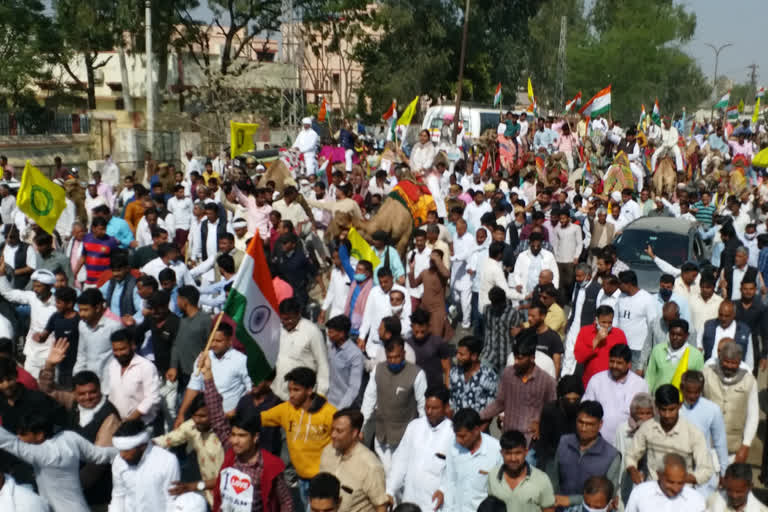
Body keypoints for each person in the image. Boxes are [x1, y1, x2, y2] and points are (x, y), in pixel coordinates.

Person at [200, 350, 295, 512]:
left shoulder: (270, 467)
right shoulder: (232, 452)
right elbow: (218, 419)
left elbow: (286, 502)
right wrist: (208, 374)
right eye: (234, 435)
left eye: (242, 436)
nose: (235, 440)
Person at [0, 412, 117, 512]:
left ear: (39, 435)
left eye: (23, 434)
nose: (18, 437)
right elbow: (98, 455)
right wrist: (122, 451)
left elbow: (10, 443)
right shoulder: (69, 437)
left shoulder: (42, 454)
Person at [625, 384, 713, 487]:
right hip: (653, 490)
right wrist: (632, 470)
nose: (667, 415)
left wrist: (679, 479)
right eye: (663, 410)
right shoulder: (647, 428)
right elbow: (630, 455)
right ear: (656, 407)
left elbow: (706, 469)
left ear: (680, 406)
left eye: (671, 410)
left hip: (682, 492)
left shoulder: (693, 433)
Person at [110, 419, 206, 512]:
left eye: (126, 450)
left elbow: (171, 500)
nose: (122, 455)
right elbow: (119, 496)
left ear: (141, 446)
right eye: (120, 450)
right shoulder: (119, 461)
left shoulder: (167, 460)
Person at [361, 337, 427, 473]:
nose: (393, 361)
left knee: (400, 475)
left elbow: (422, 406)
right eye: (389, 357)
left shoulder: (417, 374)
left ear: (403, 353)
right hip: (381, 434)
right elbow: (369, 399)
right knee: (387, 473)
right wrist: (362, 427)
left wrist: (423, 434)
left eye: (396, 357)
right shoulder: (378, 370)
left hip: (404, 436)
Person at [386, 386, 454, 512]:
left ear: (446, 408)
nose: (429, 411)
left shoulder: (452, 433)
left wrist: (443, 490)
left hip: (434, 505)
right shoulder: (415, 426)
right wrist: (390, 490)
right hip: (409, 501)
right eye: (427, 407)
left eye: (434, 408)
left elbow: (454, 471)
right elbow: (400, 462)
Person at [480, 336, 557, 444]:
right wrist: (479, 416)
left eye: (520, 358)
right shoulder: (508, 374)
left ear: (532, 358)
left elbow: (552, 410)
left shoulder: (547, 381)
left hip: (531, 441)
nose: (515, 362)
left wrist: (541, 424)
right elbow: (500, 403)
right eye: (515, 357)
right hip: (509, 436)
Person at [154, 393, 224, 507]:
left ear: (215, 414)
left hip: (227, 498)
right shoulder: (193, 426)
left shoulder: (225, 437)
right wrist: (144, 444)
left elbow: (226, 478)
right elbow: (168, 439)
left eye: (202, 416)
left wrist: (193, 486)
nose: (197, 420)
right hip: (208, 497)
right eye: (194, 416)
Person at [178, 323, 252, 427]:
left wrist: (234, 412)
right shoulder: (203, 357)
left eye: (218, 341)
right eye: (212, 340)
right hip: (205, 420)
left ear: (230, 341)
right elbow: (193, 386)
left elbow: (250, 391)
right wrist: (181, 414)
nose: (213, 344)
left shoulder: (241, 360)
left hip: (230, 420)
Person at [552, 401, 621, 510]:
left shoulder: (612, 455)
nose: (583, 428)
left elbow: (608, 495)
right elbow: (553, 479)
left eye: (590, 424)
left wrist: (570, 500)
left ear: (600, 424)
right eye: (580, 422)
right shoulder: (564, 442)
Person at [318, 408, 389, 512]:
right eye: (332, 429)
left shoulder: (370, 465)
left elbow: (381, 505)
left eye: (339, 431)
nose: (333, 435)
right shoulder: (327, 452)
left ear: (354, 433)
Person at [434, 408, 503, 512]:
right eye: (456, 435)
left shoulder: (496, 450)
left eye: (462, 436)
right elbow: (450, 481)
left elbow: (500, 488)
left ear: (476, 430)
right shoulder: (453, 446)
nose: (458, 440)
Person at [702, 341, 758, 464]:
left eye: (734, 363)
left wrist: (746, 445)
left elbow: (753, 415)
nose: (729, 366)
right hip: (705, 445)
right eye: (726, 361)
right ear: (720, 358)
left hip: (733, 449)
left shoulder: (749, 381)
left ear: (740, 362)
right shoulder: (706, 374)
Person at [583, 344, 648, 447]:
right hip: (598, 444)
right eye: (612, 361)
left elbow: (645, 416)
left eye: (619, 363)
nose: (614, 366)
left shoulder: (640, 384)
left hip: (627, 444)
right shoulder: (597, 380)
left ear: (629, 365)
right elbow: (585, 410)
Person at [678, 370, 729, 497]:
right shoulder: (674, 410)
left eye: (697, 392)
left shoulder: (712, 410)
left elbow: (720, 442)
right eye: (689, 392)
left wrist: (724, 473)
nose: (692, 396)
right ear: (681, 388)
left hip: (704, 470)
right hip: (679, 470)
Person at [0, 268, 56, 380]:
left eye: (39, 286)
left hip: (50, 354)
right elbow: (8, 294)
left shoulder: (58, 305)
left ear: (49, 287)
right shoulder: (32, 297)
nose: (35, 289)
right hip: (32, 352)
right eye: (34, 286)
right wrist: (2, 274)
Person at [273, 297, 329, 401]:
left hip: (302, 397)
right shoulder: (279, 328)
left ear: (298, 314)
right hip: (278, 393)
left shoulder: (312, 332)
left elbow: (323, 364)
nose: (286, 322)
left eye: (290, 319)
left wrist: (320, 394)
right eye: (283, 319)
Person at [487, 429, 556, 512]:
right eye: (508, 453)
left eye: (518, 453)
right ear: (502, 453)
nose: (513, 459)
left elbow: (549, 510)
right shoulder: (493, 476)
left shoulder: (541, 479)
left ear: (526, 452)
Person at [73, 289, 123, 392]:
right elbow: (81, 354)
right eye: (80, 310)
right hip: (90, 385)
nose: (81, 314)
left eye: (85, 310)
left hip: (110, 385)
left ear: (98, 308)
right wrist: (77, 376)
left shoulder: (114, 326)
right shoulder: (82, 325)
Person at [533, 375, 584, 475]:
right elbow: (544, 444)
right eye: (568, 399)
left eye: (575, 400)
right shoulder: (550, 411)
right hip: (552, 457)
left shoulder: (582, 412)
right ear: (560, 398)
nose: (572, 403)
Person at [169, 285, 212, 396]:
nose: (176, 303)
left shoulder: (206, 320)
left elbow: (211, 346)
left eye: (177, 299)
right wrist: (173, 366)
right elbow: (176, 345)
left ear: (185, 301)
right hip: (182, 376)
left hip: (199, 376)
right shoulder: (181, 320)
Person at [625, 453, 706, 512]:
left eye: (680, 483)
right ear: (659, 474)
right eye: (670, 482)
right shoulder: (641, 493)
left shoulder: (696, 499)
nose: (675, 488)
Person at [573, 305, 628, 387]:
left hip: (612, 383)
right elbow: (579, 357)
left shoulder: (619, 334)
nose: (606, 326)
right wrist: (596, 340)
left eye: (610, 322)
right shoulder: (585, 331)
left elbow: (626, 359)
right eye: (603, 322)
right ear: (596, 320)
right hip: (590, 382)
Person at [645, 319, 705, 393]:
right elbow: (650, 377)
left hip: (682, 401)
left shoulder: (696, 355)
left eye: (679, 335)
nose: (675, 338)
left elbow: (700, 381)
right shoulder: (658, 350)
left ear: (686, 336)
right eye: (672, 334)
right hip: (658, 400)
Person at [616, 270, 658, 371]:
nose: (618, 286)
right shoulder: (620, 297)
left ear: (629, 284)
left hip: (638, 349)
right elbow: (616, 319)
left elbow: (653, 325)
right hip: (621, 346)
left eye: (620, 284)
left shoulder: (647, 299)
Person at [698, 300, 753, 369]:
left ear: (734, 315)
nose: (723, 318)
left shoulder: (744, 330)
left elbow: (749, 358)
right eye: (721, 315)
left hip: (733, 372)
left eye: (727, 316)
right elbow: (698, 348)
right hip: (710, 369)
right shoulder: (707, 326)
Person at [450, 336, 499, 412]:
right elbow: (451, 401)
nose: (457, 357)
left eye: (461, 354)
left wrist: (481, 424)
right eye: (457, 353)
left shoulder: (488, 376)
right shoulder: (454, 372)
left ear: (474, 356)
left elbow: (491, 408)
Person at [326, 315, 364, 409]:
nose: (328, 335)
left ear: (342, 334)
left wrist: (340, 410)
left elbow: (354, 388)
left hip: (342, 406)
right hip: (326, 402)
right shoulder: (331, 347)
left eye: (331, 332)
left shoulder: (355, 355)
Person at [406, 309, 450, 388]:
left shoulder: (438, 342)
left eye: (423, 332)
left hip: (435, 388)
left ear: (429, 327)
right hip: (414, 388)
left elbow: (447, 368)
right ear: (411, 327)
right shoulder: (406, 345)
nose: (419, 335)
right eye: (416, 332)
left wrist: (447, 388)